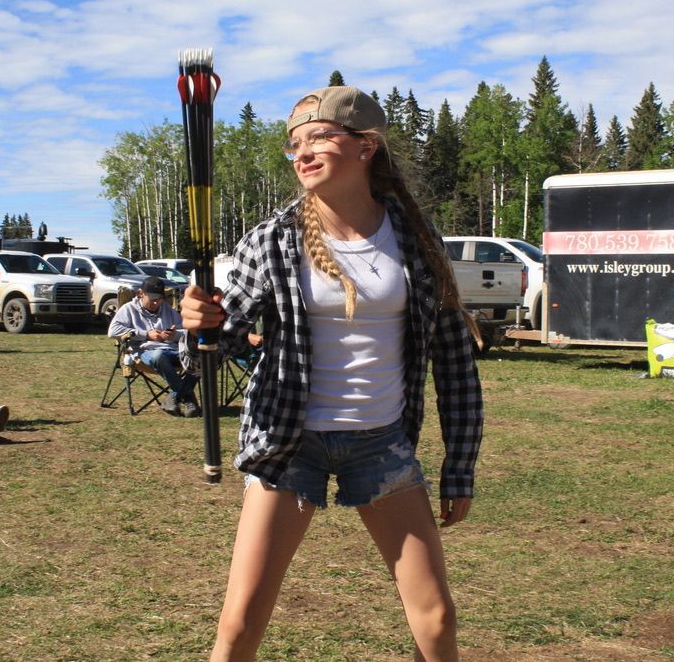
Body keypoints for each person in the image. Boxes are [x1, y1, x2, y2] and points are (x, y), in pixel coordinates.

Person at [179, 85, 484, 661]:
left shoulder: (416, 241)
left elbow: (453, 359)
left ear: (367, 146)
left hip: (382, 443)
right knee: (242, 621)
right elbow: (215, 338)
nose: (303, 153)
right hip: (290, 442)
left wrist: (459, 465)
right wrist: (200, 319)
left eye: (319, 137)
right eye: (295, 144)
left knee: (437, 618)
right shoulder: (273, 239)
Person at [108, 275, 200, 417]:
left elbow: (186, 331)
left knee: (203, 358)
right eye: (153, 299)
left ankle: (174, 397)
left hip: (173, 350)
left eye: (159, 299)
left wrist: (174, 335)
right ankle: (188, 397)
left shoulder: (167, 309)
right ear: (141, 294)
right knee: (159, 356)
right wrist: (146, 334)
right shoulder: (128, 309)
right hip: (145, 351)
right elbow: (113, 331)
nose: (157, 303)